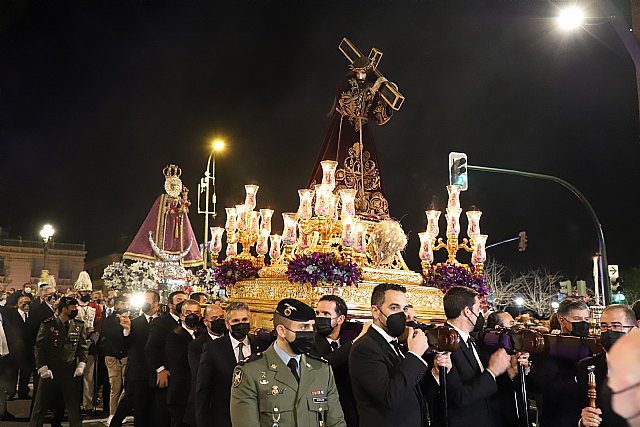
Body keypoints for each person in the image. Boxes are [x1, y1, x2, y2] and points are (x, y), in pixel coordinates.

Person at [231, 298, 346, 427]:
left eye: (312, 327)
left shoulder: (322, 369)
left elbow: (336, 422)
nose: (310, 333)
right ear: (281, 331)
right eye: (303, 327)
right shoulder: (251, 372)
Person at [308, 55, 397, 217]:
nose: (362, 75)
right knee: (339, 161)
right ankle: (334, 205)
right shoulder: (345, 83)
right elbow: (352, 107)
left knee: (367, 166)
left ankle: (367, 206)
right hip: (345, 128)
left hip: (363, 130)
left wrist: (387, 99)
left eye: (364, 72)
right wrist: (373, 90)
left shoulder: (371, 84)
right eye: (359, 72)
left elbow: (379, 117)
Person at [349, 283, 447, 427]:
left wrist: (436, 374)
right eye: (394, 308)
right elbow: (390, 397)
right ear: (375, 311)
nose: (403, 315)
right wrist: (414, 355)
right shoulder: (364, 348)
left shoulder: (396, 344)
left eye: (404, 309)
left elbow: (414, 394)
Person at [427, 286, 511, 427]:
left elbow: (483, 383)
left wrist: (510, 371)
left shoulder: (470, 340)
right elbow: (458, 397)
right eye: (478, 310)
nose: (480, 315)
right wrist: (492, 371)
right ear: (467, 311)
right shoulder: (445, 342)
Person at [196, 302, 263, 427]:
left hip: (255, 418)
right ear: (227, 324)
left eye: (244, 319)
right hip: (224, 419)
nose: (241, 324)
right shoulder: (213, 349)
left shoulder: (261, 346)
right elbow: (203, 390)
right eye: (236, 321)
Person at [529, 298, 590, 427]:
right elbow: (541, 385)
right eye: (578, 319)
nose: (584, 324)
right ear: (561, 320)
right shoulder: (548, 348)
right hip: (559, 418)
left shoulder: (592, 345)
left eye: (587, 319)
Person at [29, 296, 89, 427]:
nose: (75, 310)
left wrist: (81, 364)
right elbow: (39, 347)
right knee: (40, 407)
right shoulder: (48, 325)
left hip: (70, 371)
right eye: (73, 308)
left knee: (74, 408)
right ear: (64, 309)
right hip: (51, 371)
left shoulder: (78, 325)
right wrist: (42, 367)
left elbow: (83, 347)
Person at [313, 295, 368, 427]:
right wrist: (357, 341)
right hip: (324, 412)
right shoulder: (310, 341)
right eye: (318, 313)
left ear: (340, 319)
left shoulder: (348, 336)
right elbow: (326, 364)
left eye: (326, 314)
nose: (320, 317)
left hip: (352, 411)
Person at [576, 304, 635, 427]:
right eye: (604, 326)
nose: (609, 332)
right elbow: (575, 410)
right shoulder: (586, 367)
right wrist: (583, 422)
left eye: (616, 326)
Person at [112, 289, 160, 427]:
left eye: (147, 300)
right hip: (138, 372)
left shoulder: (162, 322)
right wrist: (127, 330)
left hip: (156, 372)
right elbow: (123, 346)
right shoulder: (134, 322)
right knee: (137, 408)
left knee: (152, 410)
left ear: (156, 303)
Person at [145, 290, 187, 427]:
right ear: (170, 305)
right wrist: (160, 369)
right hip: (165, 376)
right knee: (162, 415)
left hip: (182, 377)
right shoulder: (161, 322)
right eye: (179, 300)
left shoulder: (188, 322)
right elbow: (151, 348)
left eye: (185, 300)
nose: (182, 303)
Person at [482, 310, 531, 427]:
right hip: (499, 415)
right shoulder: (488, 353)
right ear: (498, 328)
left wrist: (525, 371)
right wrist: (510, 374)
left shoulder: (515, 349)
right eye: (511, 323)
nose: (515, 327)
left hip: (518, 411)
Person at [186, 304, 225, 427]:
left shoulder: (231, 339)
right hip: (209, 402)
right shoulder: (197, 345)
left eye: (221, 317)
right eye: (214, 318)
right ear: (206, 322)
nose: (219, 321)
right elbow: (200, 375)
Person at [165, 299, 201, 427]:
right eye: (188, 312)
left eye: (196, 313)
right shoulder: (174, 336)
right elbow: (182, 363)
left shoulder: (203, 334)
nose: (192, 316)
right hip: (181, 393)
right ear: (181, 316)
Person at [100, 296, 130, 424]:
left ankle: (120, 412)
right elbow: (111, 336)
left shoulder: (131, 318)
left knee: (127, 387)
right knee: (115, 387)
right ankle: (113, 413)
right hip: (112, 357)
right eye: (122, 303)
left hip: (126, 356)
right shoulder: (109, 319)